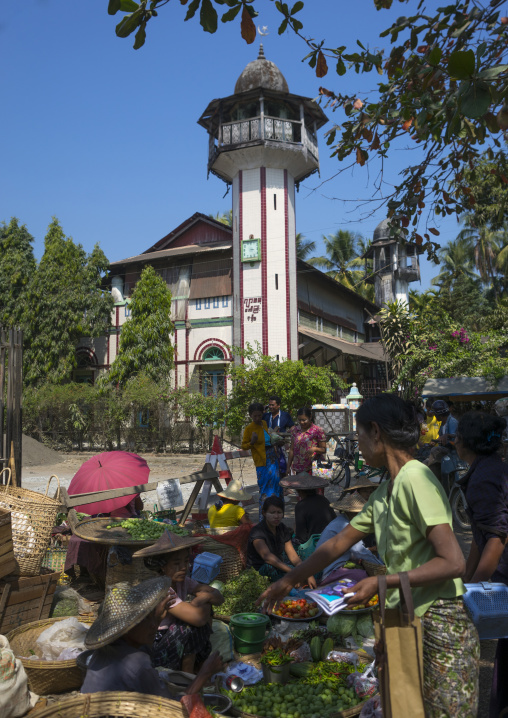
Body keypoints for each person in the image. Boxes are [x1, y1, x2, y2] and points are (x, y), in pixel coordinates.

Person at [260, 393, 479, 717]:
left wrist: (382, 583)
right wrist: (288, 580)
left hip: (439, 621)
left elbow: (453, 562)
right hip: (408, 615)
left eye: (360, 434)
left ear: (376, 432)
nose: (358, 444)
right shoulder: (386, 491)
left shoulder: (416, 479)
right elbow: (337, 544)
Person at [82, 576, 223, 698]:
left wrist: (156, 618)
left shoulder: (107, 650)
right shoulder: (137, 662)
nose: (152, 625)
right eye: (146, 619)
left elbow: (146, 644)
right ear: (128, 628)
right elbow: (171, 710)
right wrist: (204, 674)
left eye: (151, 618)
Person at [456, 411, 508, 718]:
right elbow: (480, 535)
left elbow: (496, 538)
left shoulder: (484, 479)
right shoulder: (490, 469)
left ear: (466, 442)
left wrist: (473, 592)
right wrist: (466, 576)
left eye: (457, 438)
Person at [132, 530, 224, 673]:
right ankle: (187, 676)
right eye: (176, 563)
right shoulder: (161, 590)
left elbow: (218, 596)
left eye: (186, 561)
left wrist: (205, 598)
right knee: (189, 624)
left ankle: (198, 666)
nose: (183, 567)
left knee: (204, 610)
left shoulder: (183, 582)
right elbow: (198, 618)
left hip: (173, 639)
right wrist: (202, 602)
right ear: (163, 566)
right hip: (156, 647)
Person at [64, 495, 144, 583]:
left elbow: (106, 510)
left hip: (116, 522)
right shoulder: (131, 489)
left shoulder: (110, 491)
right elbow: (140, 507)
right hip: (125, 522)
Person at [246, 496, 316, 588]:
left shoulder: (282, 528)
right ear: (264, 513)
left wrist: (306, 573)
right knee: (272, 569)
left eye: (279, 512)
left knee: (307, 573)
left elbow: (293, 556)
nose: (276, 516)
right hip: (260, 570)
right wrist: (292, 573)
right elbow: (267, 557)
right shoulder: (257, 531)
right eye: (272, 512)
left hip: (277, 565)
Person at [316, 491, 376, 580]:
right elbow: (359, 551)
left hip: (332, 565)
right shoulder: (344, 525)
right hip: (332, 570)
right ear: (352, 513)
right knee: (364, 576)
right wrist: (380, 566)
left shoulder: (342, 521)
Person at [242, 402, 282, 519]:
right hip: (262, 461)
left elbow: (269, 439)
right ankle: (263, 518)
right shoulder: (249, 429)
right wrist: (252, 442)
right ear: (250, 416)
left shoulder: (264, 423)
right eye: (255, 416)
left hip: (272, 459)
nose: (258, 418)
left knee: (275, 486)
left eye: (259, 415)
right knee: (265, 489)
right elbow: (244, 446)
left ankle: (275, 516)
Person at [280, 472, 335, 544]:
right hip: (331, 538)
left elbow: (301, 536)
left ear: (299, 491)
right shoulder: (324, 499)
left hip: (314, 542)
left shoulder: (300, 506)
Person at [286, 407, 327, 476]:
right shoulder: (295, 430)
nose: (302, 422)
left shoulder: (318, 430)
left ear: (310, 417)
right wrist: (288, 467)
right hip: (299, 468)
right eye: (299, 420)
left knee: (314, 486)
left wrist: (315, 449)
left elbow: (324, 449)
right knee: (301, 486)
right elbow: (292, 450)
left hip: (314, 468)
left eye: (304, 420)